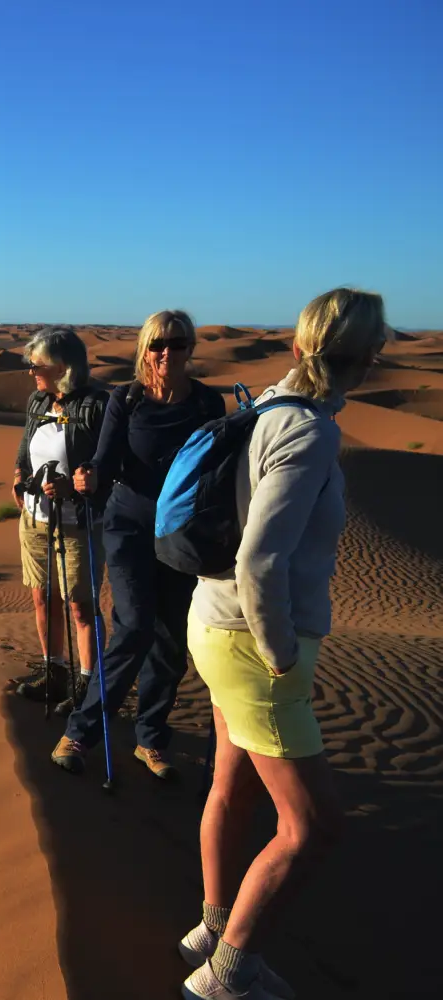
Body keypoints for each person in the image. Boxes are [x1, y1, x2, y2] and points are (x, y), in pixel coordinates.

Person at [178, 289, 390, 1000]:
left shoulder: (269, 405)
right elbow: (260, 559)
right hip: (251, 643)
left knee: (231, 787)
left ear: (299, 348)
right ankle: (227, 976)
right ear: (365, 360)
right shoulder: (308, 433)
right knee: (313, 827)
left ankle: (213, 929)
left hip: (213, 624)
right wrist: (280, 655)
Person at [51, 311, 226, 779]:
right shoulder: (126, 401)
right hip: (129, 528)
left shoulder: (208, 404)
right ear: (145, 349)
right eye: (157, 344)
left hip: (182, 536)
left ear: (191, 348)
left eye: (178, 343)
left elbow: (217, 473)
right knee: (133, 628)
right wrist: (85, 479)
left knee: (170, 641)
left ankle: (150, 739)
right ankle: (81, 732)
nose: (167, 352)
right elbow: (105, 464)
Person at [10, 326, 109, 709]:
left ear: (62, 365)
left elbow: (111, 465)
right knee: (42, 598)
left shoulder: (97, 406)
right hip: (35, 520)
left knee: (81, 605)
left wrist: (77, 486)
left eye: (36, 363)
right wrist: (19, 477)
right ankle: (55, 672)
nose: (30, 369)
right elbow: (25, 449)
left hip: (77, 522)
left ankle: (88, 685)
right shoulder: (39, 401)